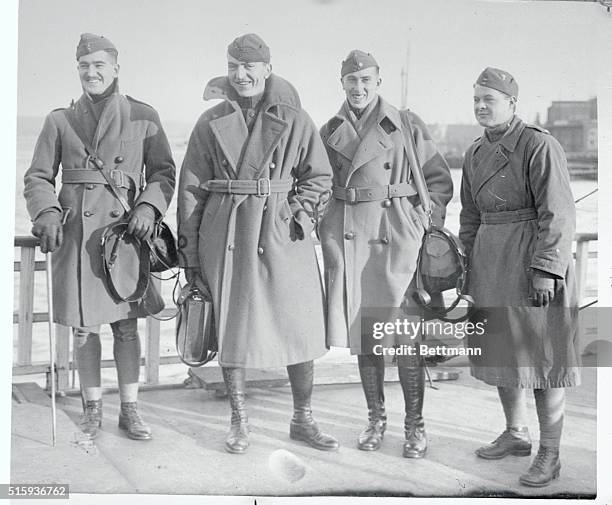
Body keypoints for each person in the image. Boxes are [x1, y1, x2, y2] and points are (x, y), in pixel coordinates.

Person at [177, 33, 338, 454]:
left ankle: (303, 418)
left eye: (249, 67)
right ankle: (239, 421)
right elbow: (191, 187)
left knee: (299, 324)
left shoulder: (297, 119)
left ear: (267, 68)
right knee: (232, 323)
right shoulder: (209, 122)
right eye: (233, 67)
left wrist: (299, 213)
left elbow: (319, 176)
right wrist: (191, 251)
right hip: (227, 231)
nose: (241, 75)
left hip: (282, 230)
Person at [23, 33, 176, 441]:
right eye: (84, 67)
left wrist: (147, 207)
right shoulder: (60, 120)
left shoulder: (144, 116)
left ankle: (130, 410)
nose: (91, 73)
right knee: (84, 329)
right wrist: (47, 212)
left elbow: (163, 173)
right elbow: (38, 176)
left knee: (126, 327)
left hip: (123, 237)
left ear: (115, 69)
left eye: (99, 66)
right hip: (76, 239)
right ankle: (93, 411)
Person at [319, 50, 453, 458]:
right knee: (367, 339)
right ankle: (375, 420)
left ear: (378, 82)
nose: (358, 89)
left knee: (406, 340)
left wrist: (415, 222)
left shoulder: (407, 124)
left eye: (366, 81)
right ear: (341, 83)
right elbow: (317, 182)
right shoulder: (329, 130)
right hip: (351, 242)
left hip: (398, 239)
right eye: (351, 81)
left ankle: (415, 427)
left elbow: (439, 182)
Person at [459, 67, 580, 487]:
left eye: (488, 99)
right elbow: (470, 216)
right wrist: (466, 267)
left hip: (532, 261)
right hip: (490, 262)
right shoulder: (474, 153)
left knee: (542, 359)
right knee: (500, 354)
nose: (480, 106)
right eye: (476, 99)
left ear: (512, 103)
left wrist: (546, 269)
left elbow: (559, 212)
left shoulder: (537, 144)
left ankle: (550, 453)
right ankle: (515, 434)